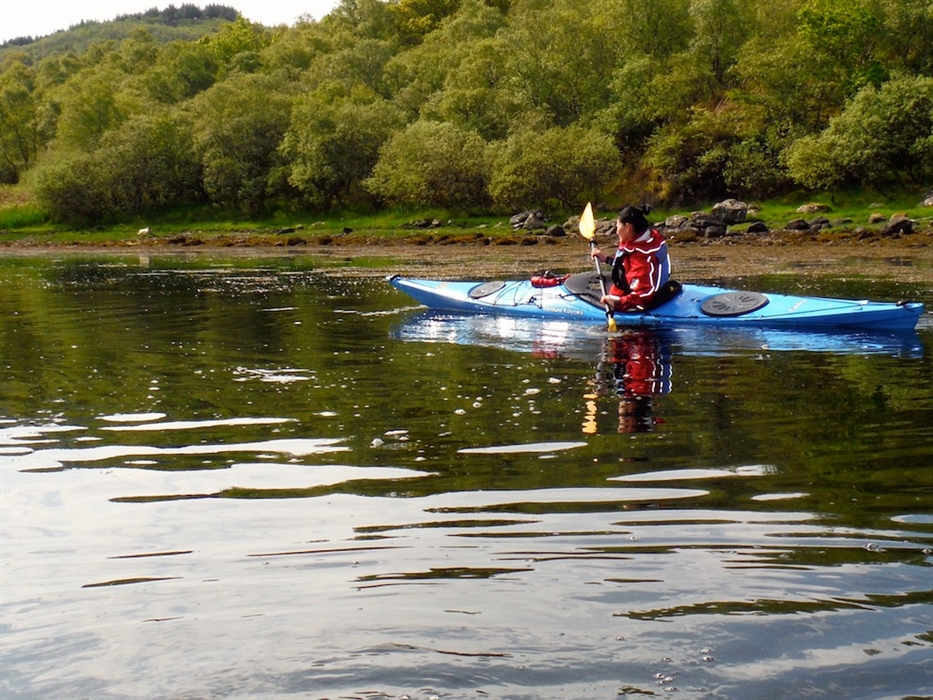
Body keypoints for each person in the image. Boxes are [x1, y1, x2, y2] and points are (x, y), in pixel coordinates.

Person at [590, 205, 672, 312]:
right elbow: (627, 264)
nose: (616, 231)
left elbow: (644, 294)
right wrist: (607, 259)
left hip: (635, 301)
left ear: (628, 227)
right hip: (659, 289)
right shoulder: (649, 239)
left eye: (618, 226)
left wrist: (618, 303)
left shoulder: (640, 258)